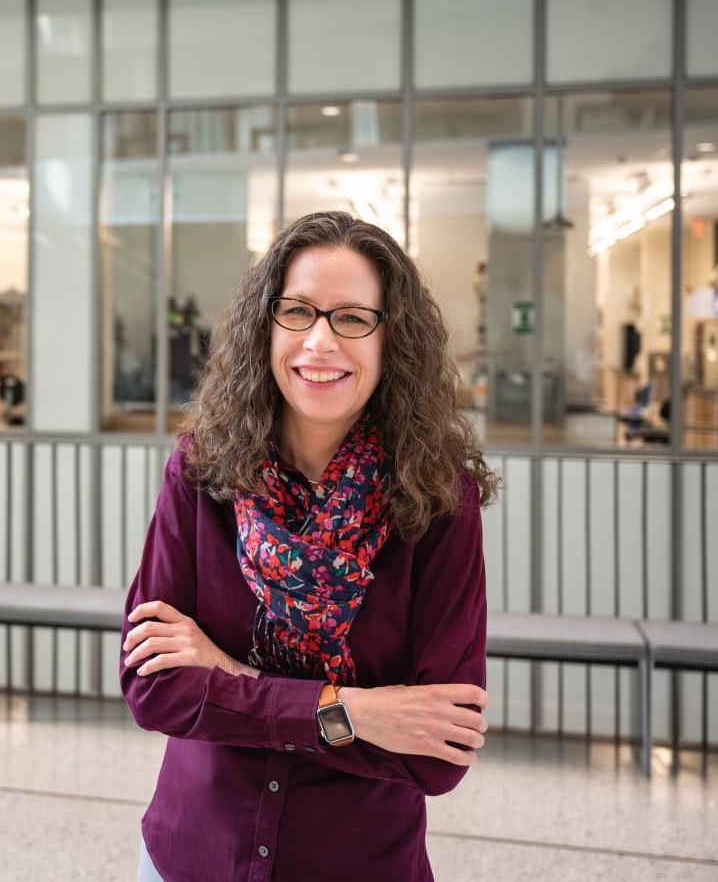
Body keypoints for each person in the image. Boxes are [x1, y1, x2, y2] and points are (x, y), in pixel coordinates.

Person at [120, 211, 499, 881]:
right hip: (192, 857)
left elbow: (437, 755)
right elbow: (154, 691)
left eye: (352, 318)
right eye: (298, 312)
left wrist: (234, 681)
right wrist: (353, 710)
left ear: (393, 341)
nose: (320, 342)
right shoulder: (202, 471)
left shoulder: (441, 501)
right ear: (266, 325)